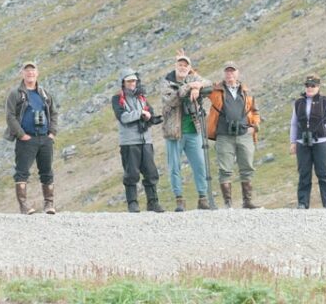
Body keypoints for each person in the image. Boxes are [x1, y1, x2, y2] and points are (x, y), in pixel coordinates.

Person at [4, 62, 59, 215]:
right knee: (22, 172)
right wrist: (21, 134)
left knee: (47, 171)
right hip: (26, 139)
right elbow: (10, 116)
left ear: (37, 73)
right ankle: (24, 205)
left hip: (44, 138)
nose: (30, 73)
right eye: (27, 71)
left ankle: (49, 204)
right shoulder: (16, 93)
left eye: (32, 71)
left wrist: (52, 132)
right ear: (22, 73)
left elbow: (54, 113)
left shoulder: (44, 93)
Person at [161, 52, 212, 211]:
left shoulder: (193, 79)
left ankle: (203, 198)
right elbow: (172, 100)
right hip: (174, 132)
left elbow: (210, 84)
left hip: (193, 130)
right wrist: (189, 87)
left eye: (185, 65)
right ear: (175, 66)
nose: (182, 68)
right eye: (180, 65)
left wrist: (198, 85)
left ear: (189, 68)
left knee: (199, 164)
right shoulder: (166, 82)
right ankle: (179, 200)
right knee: (174, 167)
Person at [206, 61, 261, 209]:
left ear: (237, 73)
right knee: (225, 168)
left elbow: (254, 111)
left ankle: (247, 202)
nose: (230, 74)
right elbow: (198, 81)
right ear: (224, 74)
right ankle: (228, 204)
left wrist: (254, 127)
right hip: (224, 135)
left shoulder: (246, 92)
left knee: (247, 166)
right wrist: (189, 69)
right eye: (227, 71)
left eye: (232, 71)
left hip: (244, 134)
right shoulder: (216, 91)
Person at [111, 68, 165, 213]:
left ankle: (153, 202)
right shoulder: (117, 99)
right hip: (129, 142)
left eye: (134, 80)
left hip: (146, 140)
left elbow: (150, 113)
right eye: (129, 81)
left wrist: (151, 118)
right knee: (131, 173)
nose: (132, 83)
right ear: (123, 83)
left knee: (151, 172)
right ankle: (132, 203)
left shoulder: (142, 97)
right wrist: (140, 113)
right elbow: (123, 117)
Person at [289, 74, 326, 209]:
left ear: (318, 87)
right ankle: (302, 203)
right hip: (302, 142)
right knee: (304, 173)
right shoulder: (298, 103)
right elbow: (294, 124)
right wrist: (293, 142)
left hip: (321, 142)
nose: (310, 88)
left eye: (313, 86)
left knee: (323, 172)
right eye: (307, 85)